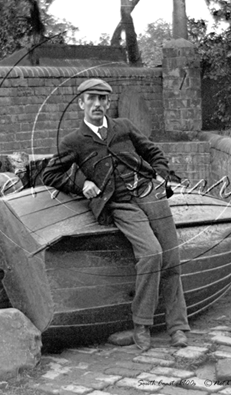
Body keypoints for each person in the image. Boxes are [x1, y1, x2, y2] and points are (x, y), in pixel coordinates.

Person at [42, 78, 190, 351]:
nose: (97, 104)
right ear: (81, 104)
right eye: (91, 99)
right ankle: (141, 325)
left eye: (102, 99)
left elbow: (153, 151)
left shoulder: (124, 127)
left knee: (171, 257)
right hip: (120, 204)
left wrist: (160, 175)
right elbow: (50, 174)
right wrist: (81, 185)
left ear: (108, 103)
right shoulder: (73, 141)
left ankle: (178, 327)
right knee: (150, 253)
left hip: (150, 194)